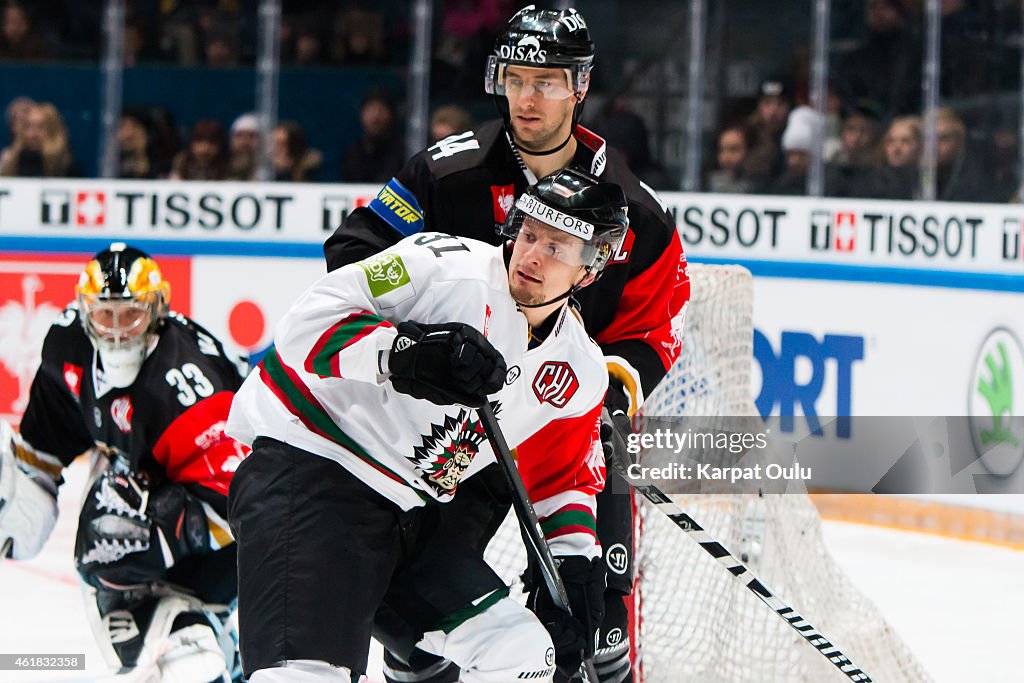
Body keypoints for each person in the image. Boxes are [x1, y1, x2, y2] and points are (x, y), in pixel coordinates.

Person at [323, 6, 689, 683]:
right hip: (455, 432)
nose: (527, 97)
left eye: (547, 81)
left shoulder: (633, 210)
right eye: (516, 78)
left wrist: (599, 385)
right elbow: (352, 253)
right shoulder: (447, 173)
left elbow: (654, 329)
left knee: (596, 628)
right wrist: (424, 348)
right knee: (419, 629)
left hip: (562, 434)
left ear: (580, 86)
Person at [227, 169, 625, 682]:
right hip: (314, 469)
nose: (532, 255)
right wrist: (403, 353)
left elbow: (561, 477)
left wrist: (572, 567)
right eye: (528, 233)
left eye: (557, 247)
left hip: (410, 518)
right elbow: (304, 327)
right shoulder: (443, 266)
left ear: (590, 269)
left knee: (522, 654)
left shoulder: (579, 369)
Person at [0, 243, 248, 681]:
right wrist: (17, 503)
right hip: (157, 492)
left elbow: (245, 501)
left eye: (129, 314)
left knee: (190, 663)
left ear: (156, 311)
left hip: (235, 531)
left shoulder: (186, 383)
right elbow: (44, 445)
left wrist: (161, 533)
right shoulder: (68, 348)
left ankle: (211, 638)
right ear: (83, 311)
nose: (116, 331)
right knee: (133, 636)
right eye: (104, 314)